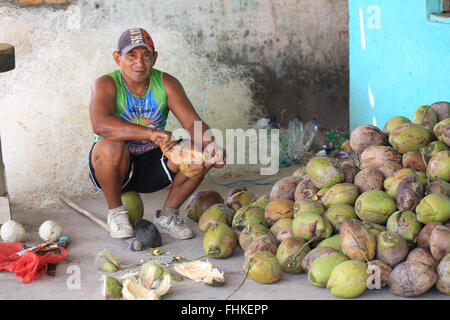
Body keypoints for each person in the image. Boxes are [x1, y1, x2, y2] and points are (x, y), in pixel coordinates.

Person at [88, 28, 226, 240]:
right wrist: (150, 133)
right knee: (111, 145)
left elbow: (191, 122)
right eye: (131, 55)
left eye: (146, 55)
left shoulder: (166, 82)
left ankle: (168, 215)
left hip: (155, 163)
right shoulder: (106, 83)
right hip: (117, 170)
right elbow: (100, 124)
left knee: (198, 153)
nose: (140, 63)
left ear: (155, 57)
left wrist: (211, 145)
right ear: (118, 58)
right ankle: (116, 213)